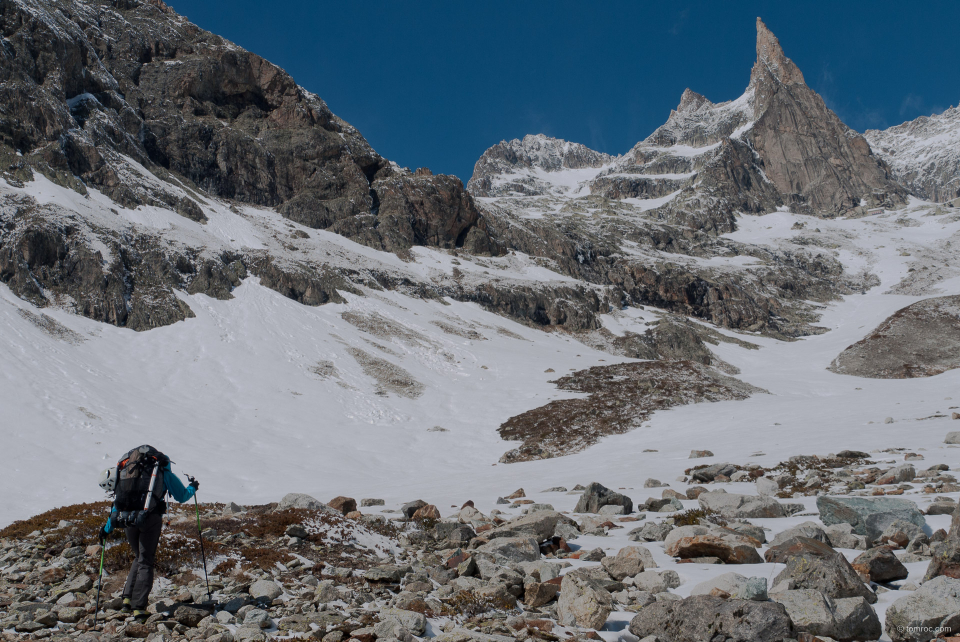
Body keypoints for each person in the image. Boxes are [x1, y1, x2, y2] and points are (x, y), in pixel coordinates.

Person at [98, 446, 199, 621]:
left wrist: (106, 529)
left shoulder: (127, 473)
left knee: (138, 556)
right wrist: (193, 487)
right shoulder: (160, 470)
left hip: (127, 519)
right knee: (145, 561)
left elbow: (117, 504)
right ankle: (139, 608)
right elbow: (182, 496)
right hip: (149, 519)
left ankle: (127, 600)